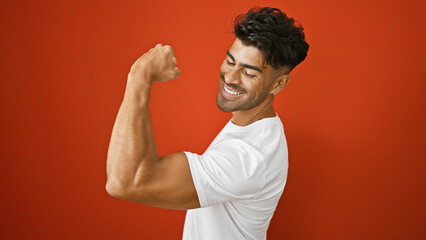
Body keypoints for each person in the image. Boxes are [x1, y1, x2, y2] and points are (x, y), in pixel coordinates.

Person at [106, 7, 309, 240]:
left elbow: (125, 182)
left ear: (278, 84)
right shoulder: (255, 126)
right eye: (230, 61)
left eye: (249, 73)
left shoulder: (249, 156)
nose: (231, 77)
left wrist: (139, 76)